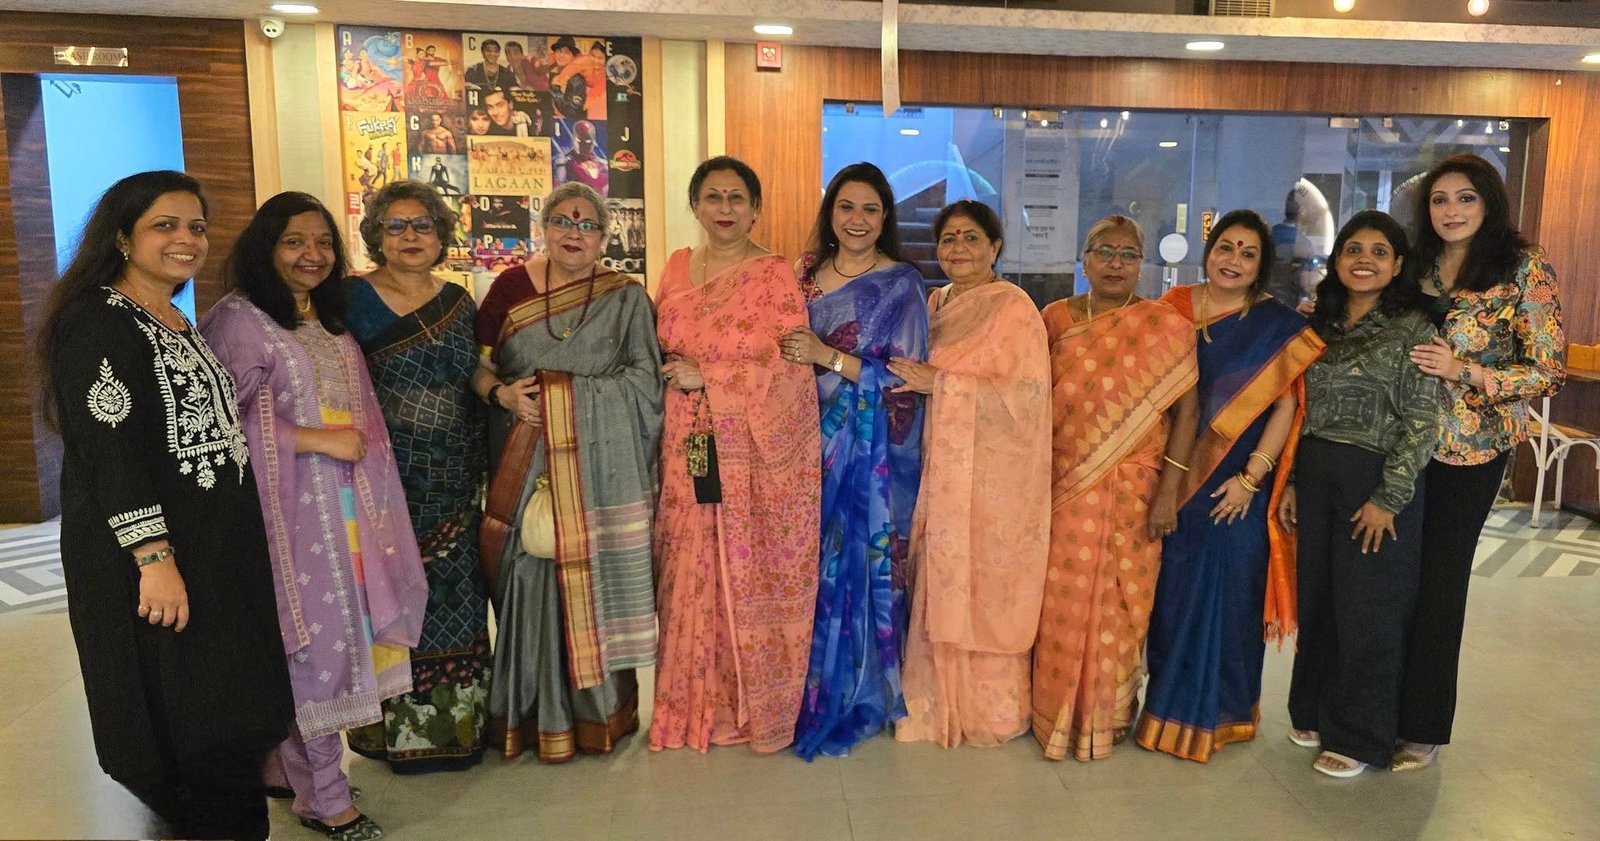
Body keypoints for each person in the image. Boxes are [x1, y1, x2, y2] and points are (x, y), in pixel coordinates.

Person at [35, 170, 292, 841]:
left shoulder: (174, 317)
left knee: (227, 706)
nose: (187, 239)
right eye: (165, 225)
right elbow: (110, 452)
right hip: (149, 559)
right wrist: (154, 559)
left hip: (212, 547)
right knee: (178, 715)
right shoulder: (97, 321)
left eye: (197, 227)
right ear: (123, 237)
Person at [201, 191, 429, 839]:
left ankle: (290, 770)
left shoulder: (322, 318)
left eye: (324, 241)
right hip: (288, 519)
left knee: (335, 640)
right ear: (265, 247)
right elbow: (219, 425)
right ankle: (324, 798)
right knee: (312, 649)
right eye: (295, 241)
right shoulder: (239, 321)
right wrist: (317, 439)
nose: (313, 254)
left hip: (345, 511)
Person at [472, 182, 664, 762]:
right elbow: (476, 370)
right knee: (528, 573)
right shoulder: (508, 288)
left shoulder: (626, 298)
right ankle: (528, 716)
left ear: (604, 237)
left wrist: (564, 395)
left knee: (590, 576)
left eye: (587, 224)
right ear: (544, 228)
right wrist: (503, 394)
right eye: (562, 221)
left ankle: (596, 715)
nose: (574, 233)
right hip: (522, 454)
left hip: (596, 467)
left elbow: (646, 384)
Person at [1396, 153, 1565, 771]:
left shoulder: (1523, 268)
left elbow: (1548, 372)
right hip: (1399, 443)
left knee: (1439, 585)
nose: (1452, 211)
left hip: (1470, 450)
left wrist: (1463, 370)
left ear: (1488, 202)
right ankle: (1373, 708)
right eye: (1440, 199)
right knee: (1391, 580)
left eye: (1465, 198)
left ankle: (1422, 726)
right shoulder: (1415, 263)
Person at [1135, 209, 1324, 763]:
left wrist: (1251, 478)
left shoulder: (1275, 325)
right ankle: (1165, 710)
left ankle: (1223, 717)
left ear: (1261, 266)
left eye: (1248, 253)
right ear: (1208, 250)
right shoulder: (1170, 310)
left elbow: (1285, 405)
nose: (1233, 260)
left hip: (1238, 483)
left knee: (1232, 600)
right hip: (1172, 476)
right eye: (1226, 247)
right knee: (1171, 598)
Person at [650, 156, 822, 753]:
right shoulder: (675, 267)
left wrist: (712, 377)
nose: (724, 209)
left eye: (737, 198)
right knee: (686, 562)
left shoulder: (774, 275)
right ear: (694, 205)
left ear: (755, 209)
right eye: (713, 197)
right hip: (686, 441)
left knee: (737, 564)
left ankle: (741, 705)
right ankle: (687, 704)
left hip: (746, 445)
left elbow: (792, 368)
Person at [1276, 210, 1443, 778]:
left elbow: (1424, 421)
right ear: (1337, 259)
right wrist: (1293, 480)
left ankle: (1360, 735)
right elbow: (1301, 409)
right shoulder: (1319, 323)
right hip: (1317, 472)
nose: (1364, 260)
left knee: (1368, 609)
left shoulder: (1414, 328)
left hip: (1376, 479)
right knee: (1319, 598)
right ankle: (1314, 711)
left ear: (1397, 265)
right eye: (1353, 249)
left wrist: (1389, 498)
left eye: (1378, 251)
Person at [1030, 215, 1199, 762]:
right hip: (1063, 487)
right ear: (1084, 259)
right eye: (1104, 251)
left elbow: (1187, 412)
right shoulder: (1054, 319)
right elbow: (1029, 400)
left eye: (1128, 254)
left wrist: (1169, 492)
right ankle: (1053, 712)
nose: (1115, 263)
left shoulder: (1165, 325)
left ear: (1141, 265)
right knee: (1058, 601)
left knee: (1126, 604)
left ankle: (1109, 715)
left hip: (1136, 489)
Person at [339, 182, 494, 774]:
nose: (410, 237)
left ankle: (457, 729)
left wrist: (499, 391)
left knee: (456, 596)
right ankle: (389, 732)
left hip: (455, 474)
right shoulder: (349, 299)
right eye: (396, 226)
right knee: (392, 597)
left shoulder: (457, 301)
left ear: (441, 236)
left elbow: (472, 372)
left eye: (423, 225)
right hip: (383, 478)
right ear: (376, 235)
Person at [887, 199, 1051, 748]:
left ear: (995, 247)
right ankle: (932, 698)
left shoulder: (1014, 309)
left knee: (985, 586)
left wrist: (942, 384)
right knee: (936, 573)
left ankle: (990, 710)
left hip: (993, 482)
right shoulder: (935, 303)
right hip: (939, 470)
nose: (959, 248)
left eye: (972, 238)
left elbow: (1027, 399)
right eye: (949, 238)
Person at [779, 163, 928, 759]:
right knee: (803, 565)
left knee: (857, 564)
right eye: (846, 207)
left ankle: (853, 689)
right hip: (794, 443)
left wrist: (829, 358)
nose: (857, 220)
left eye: (870, 208)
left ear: (885, 216)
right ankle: (795, 687)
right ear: (830, 213)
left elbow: (907, 379)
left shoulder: (902, 284)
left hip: (865, 454)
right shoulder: (802, 275)